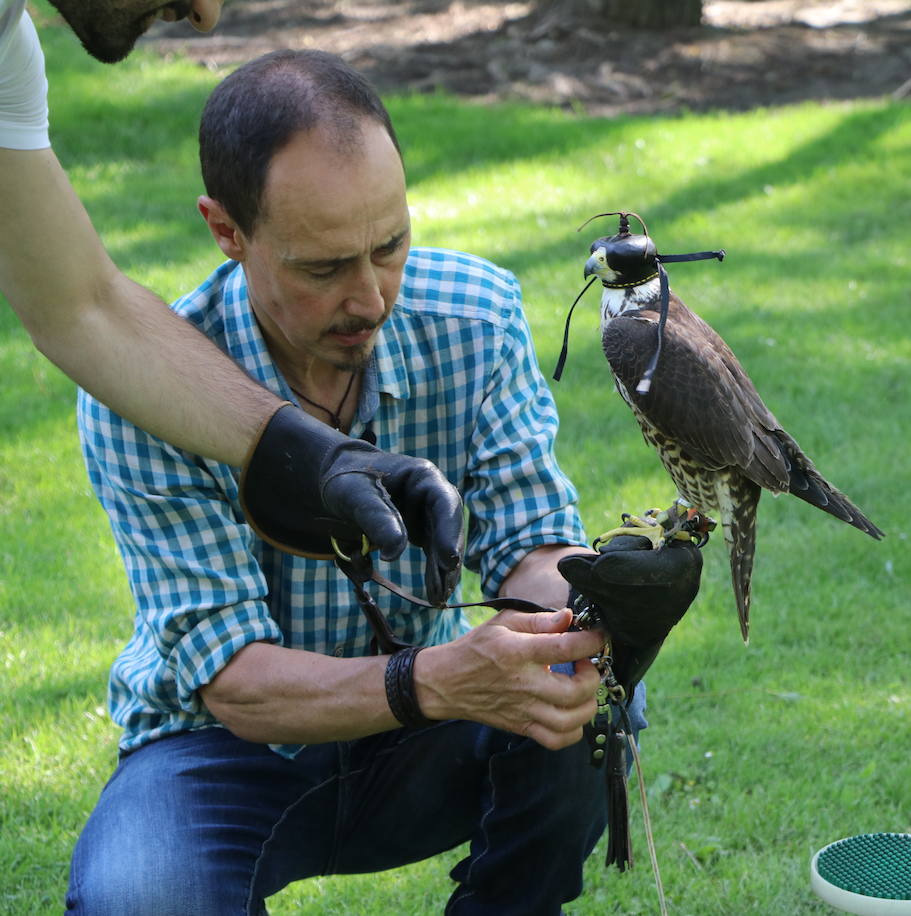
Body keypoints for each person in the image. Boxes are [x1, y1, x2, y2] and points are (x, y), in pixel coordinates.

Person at [63, 49, 701, 914]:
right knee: (144, 899)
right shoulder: (143, 385)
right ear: (228, 230)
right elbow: (235, 681)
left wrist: (591, 603)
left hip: (427, 736)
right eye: (323, 268)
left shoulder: (473, 318)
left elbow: (529, 542)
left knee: (571, 695)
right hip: (219, 752)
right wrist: (431, 679)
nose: (370, 298)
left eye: (390, 246)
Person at [1, 0, 466, 599]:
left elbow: (85, 308)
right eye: (323, 267)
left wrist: (325, 460)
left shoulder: (8, 47)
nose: (205, 14)